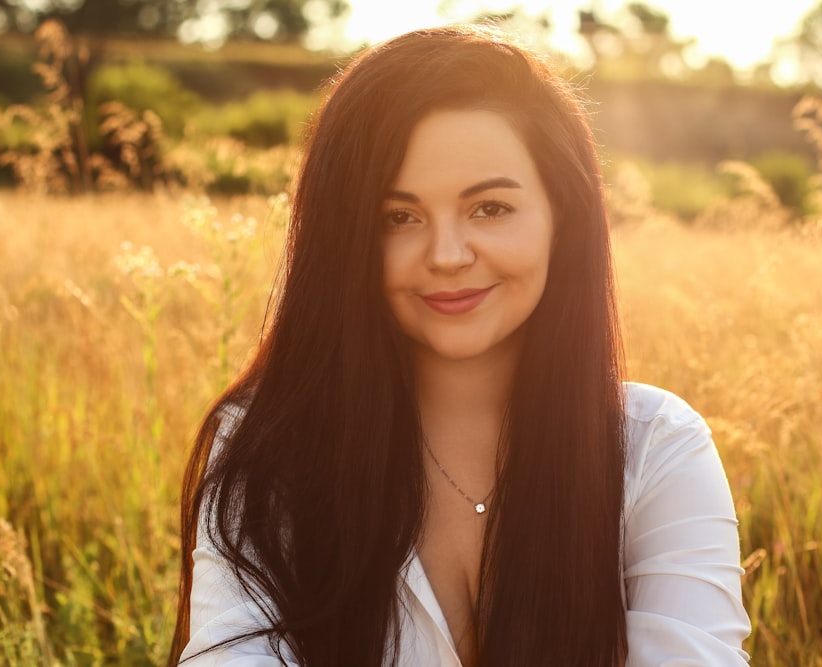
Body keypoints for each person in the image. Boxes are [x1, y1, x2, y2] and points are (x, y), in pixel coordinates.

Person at [170, 25, 751, 667]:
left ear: (564, 216)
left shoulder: (656, 450)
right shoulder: (270, 446)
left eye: (490, 209)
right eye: (399, 218)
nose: (446, 256)